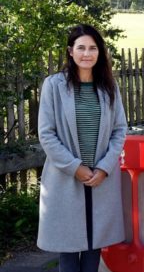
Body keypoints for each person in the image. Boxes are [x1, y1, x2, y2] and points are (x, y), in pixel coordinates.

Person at [37, 24, 127, 272]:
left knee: (94, 247)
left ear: (99, 52)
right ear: (70, 51)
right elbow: (47, 134)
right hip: (66, 177)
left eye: (92, 48)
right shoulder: (54, 86)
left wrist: (105, 168)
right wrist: (75, 167)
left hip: (101, 178)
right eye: (81, 48)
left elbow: (120, 130)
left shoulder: (108, 87)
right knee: (68, 250)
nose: (87, 54)